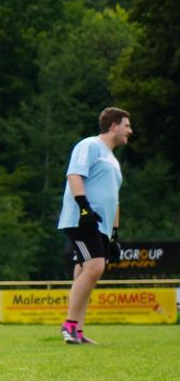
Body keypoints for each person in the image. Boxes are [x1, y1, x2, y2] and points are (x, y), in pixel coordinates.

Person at [58, 107, 132, 344]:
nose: (129, 131)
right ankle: (68, 326)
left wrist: (114, 236)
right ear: (113, 126)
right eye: (127, 125)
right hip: (82, 219)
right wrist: (84, 207)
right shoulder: (89, 145)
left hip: (101, 226)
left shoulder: (112, 160)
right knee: (94, 267)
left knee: (84, 271)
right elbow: (74, 175)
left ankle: (78, 331)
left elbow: (114, 201)